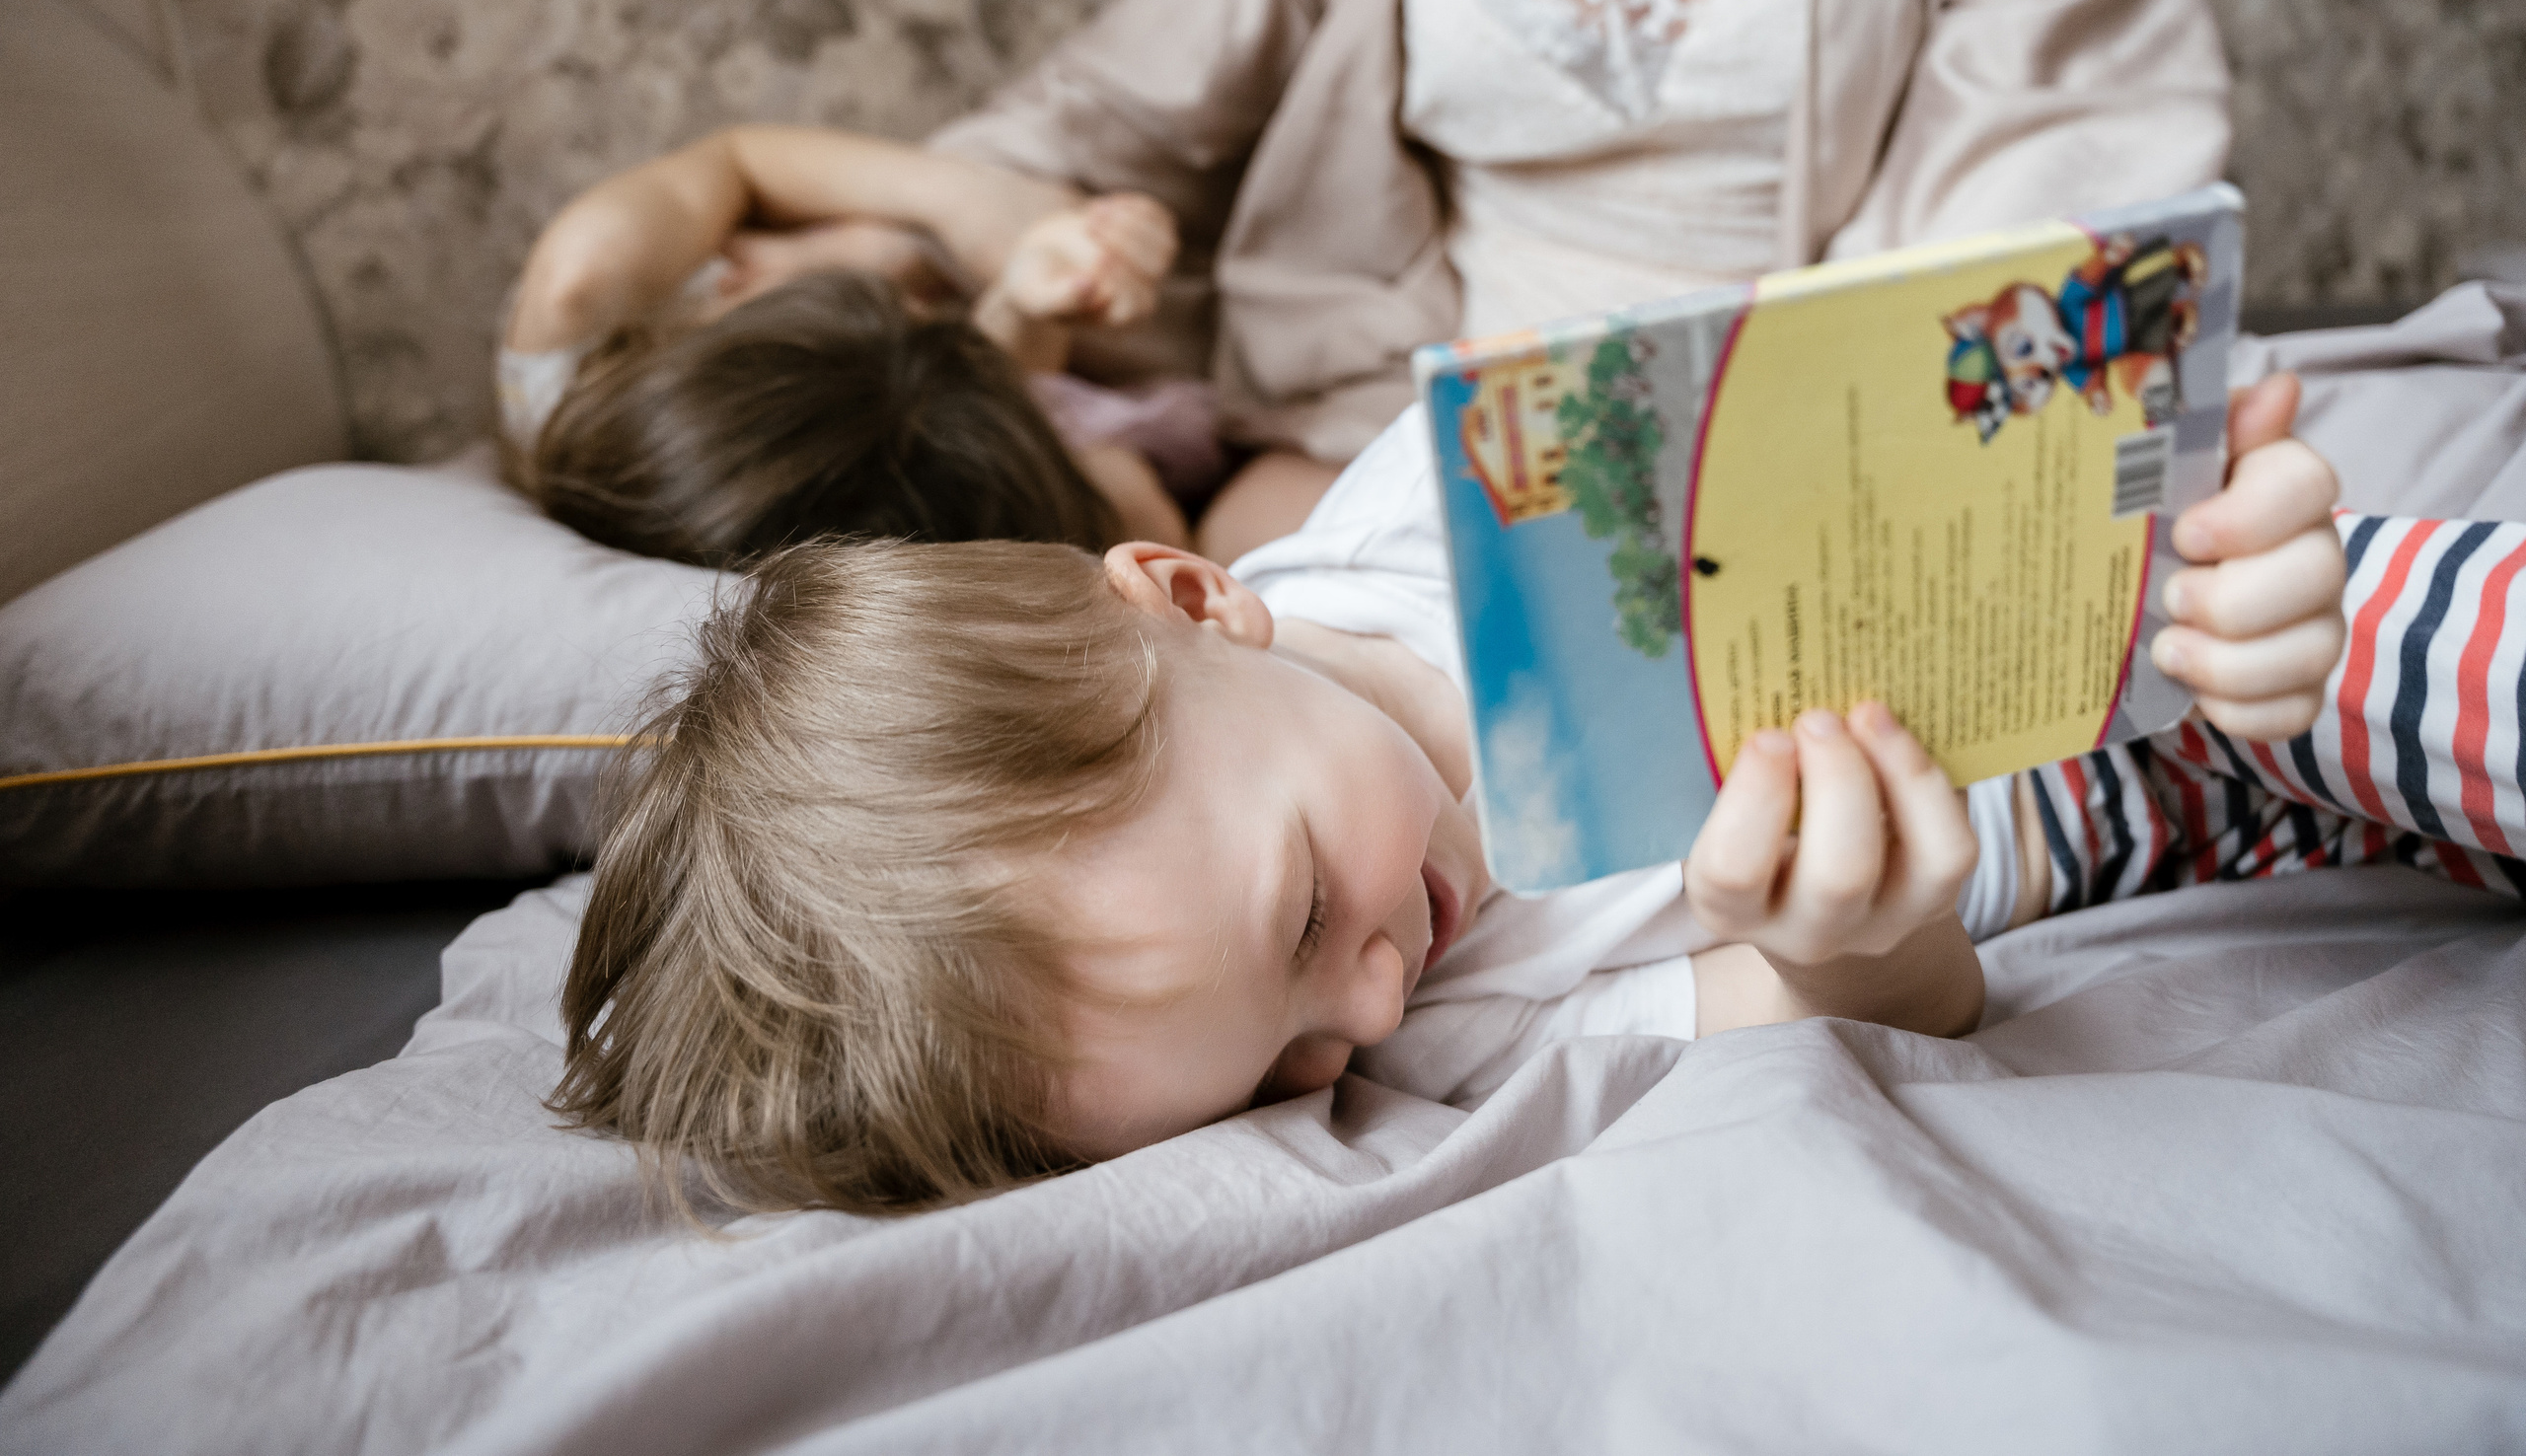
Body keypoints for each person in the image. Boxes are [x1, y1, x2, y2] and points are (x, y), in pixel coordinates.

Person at [542, 374, 2444, 1215]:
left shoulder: (1453, 512)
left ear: (1204, 598)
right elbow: (1918, 1005)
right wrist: (1852, 942)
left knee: (2366, 610)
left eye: (1302, 919)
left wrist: (2196, 519)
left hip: (2145, 623)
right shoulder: (1451, 1045)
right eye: (1287, 1065)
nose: (1367, 1005)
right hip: (2100, 831)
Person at [929, 0, 2235, 561]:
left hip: (1799, 437)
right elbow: (1131, 94)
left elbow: (2056, 195)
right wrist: (872, 235)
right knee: (1242, 612)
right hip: (1411, 421)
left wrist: (1796, 490)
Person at [498, 126, 1220, 560]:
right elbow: (1123, 507)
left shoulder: (586, 285)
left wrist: (957, 203)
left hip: (907, 187)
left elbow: (741, 158)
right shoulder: (918, 490)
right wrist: (1027, 306)